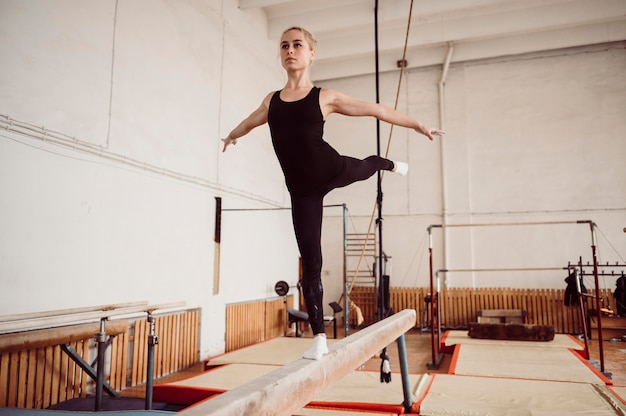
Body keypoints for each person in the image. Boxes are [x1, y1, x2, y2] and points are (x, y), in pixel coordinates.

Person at [222, 27, 444, 360]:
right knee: (312, 263)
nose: (290, 50)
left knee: (367, 166)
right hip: (301, 191)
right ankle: (320, 339)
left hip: (331, 168)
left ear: (311, 54)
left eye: (298, 45)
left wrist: (418, 125)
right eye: (284, 45)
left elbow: (376, 109)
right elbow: (251, 121)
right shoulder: (272, 101)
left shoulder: (324, 97)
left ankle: (389, 164)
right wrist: (231, 136)